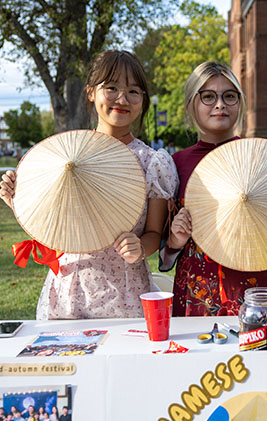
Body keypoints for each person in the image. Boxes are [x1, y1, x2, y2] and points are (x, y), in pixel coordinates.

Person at [0, 50, 178, 320]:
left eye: (133, 91)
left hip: (126, 295)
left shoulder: (152, 163)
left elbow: (154, 232)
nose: (122, 98)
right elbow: (52, 228)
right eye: (112, 87)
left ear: (143, 100)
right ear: (91, 92)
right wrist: (19, 200)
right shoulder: (63, 156)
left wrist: (141, 247)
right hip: (68, 291)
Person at [160, 61, 267, 317]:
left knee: (254, 354)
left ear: (240, 103)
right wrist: (176, 240)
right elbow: (164, 258)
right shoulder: (176, 165)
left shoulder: (263, 158)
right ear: (191, 104)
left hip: (253, 293)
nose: (220, 104)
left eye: (229, 96)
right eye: (208, 96)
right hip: (196, 295)